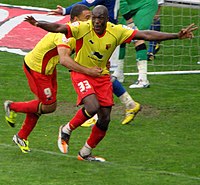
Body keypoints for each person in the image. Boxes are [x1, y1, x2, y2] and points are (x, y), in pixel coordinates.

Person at [25, 5, 197, 162]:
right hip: (81, 72)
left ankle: (85, 153)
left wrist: (176, 35)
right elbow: (59, 28)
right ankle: (66, 130)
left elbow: (145, 34)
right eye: (94, 18)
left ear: (107, 20)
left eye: (100, 19)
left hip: (101, 75)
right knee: (92, 107)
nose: (97, 22)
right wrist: (38, 23)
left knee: (105, 117)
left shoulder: (117, 31)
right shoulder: (83, 27)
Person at [4, 5, 102, 154]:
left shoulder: (80, 32)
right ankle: (12, 107)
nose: (91, 21)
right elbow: (64, 60)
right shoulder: (64, 34)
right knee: (48, 106)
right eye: (87, 18)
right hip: (37, 69)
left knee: (42, 104)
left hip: (48, 69)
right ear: (75, 20)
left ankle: (21, 136)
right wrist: (88, 71)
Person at [49, 0, 141, 126]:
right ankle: (129, 103)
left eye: (89, 18)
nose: (88, 20)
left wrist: (65, 10)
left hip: (105, 38)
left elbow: (87, 2)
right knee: (104, 73)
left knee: (102, 74)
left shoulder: (88, 27)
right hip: (107, 34)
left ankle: (98, 113)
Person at [113, 0, 158, 88]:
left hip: (146, 4)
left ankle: (143, 79)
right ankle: (118, 73)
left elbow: (122, 3)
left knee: (138, 36)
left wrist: (130, 23)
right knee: (120, 34)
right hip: (132, 5)